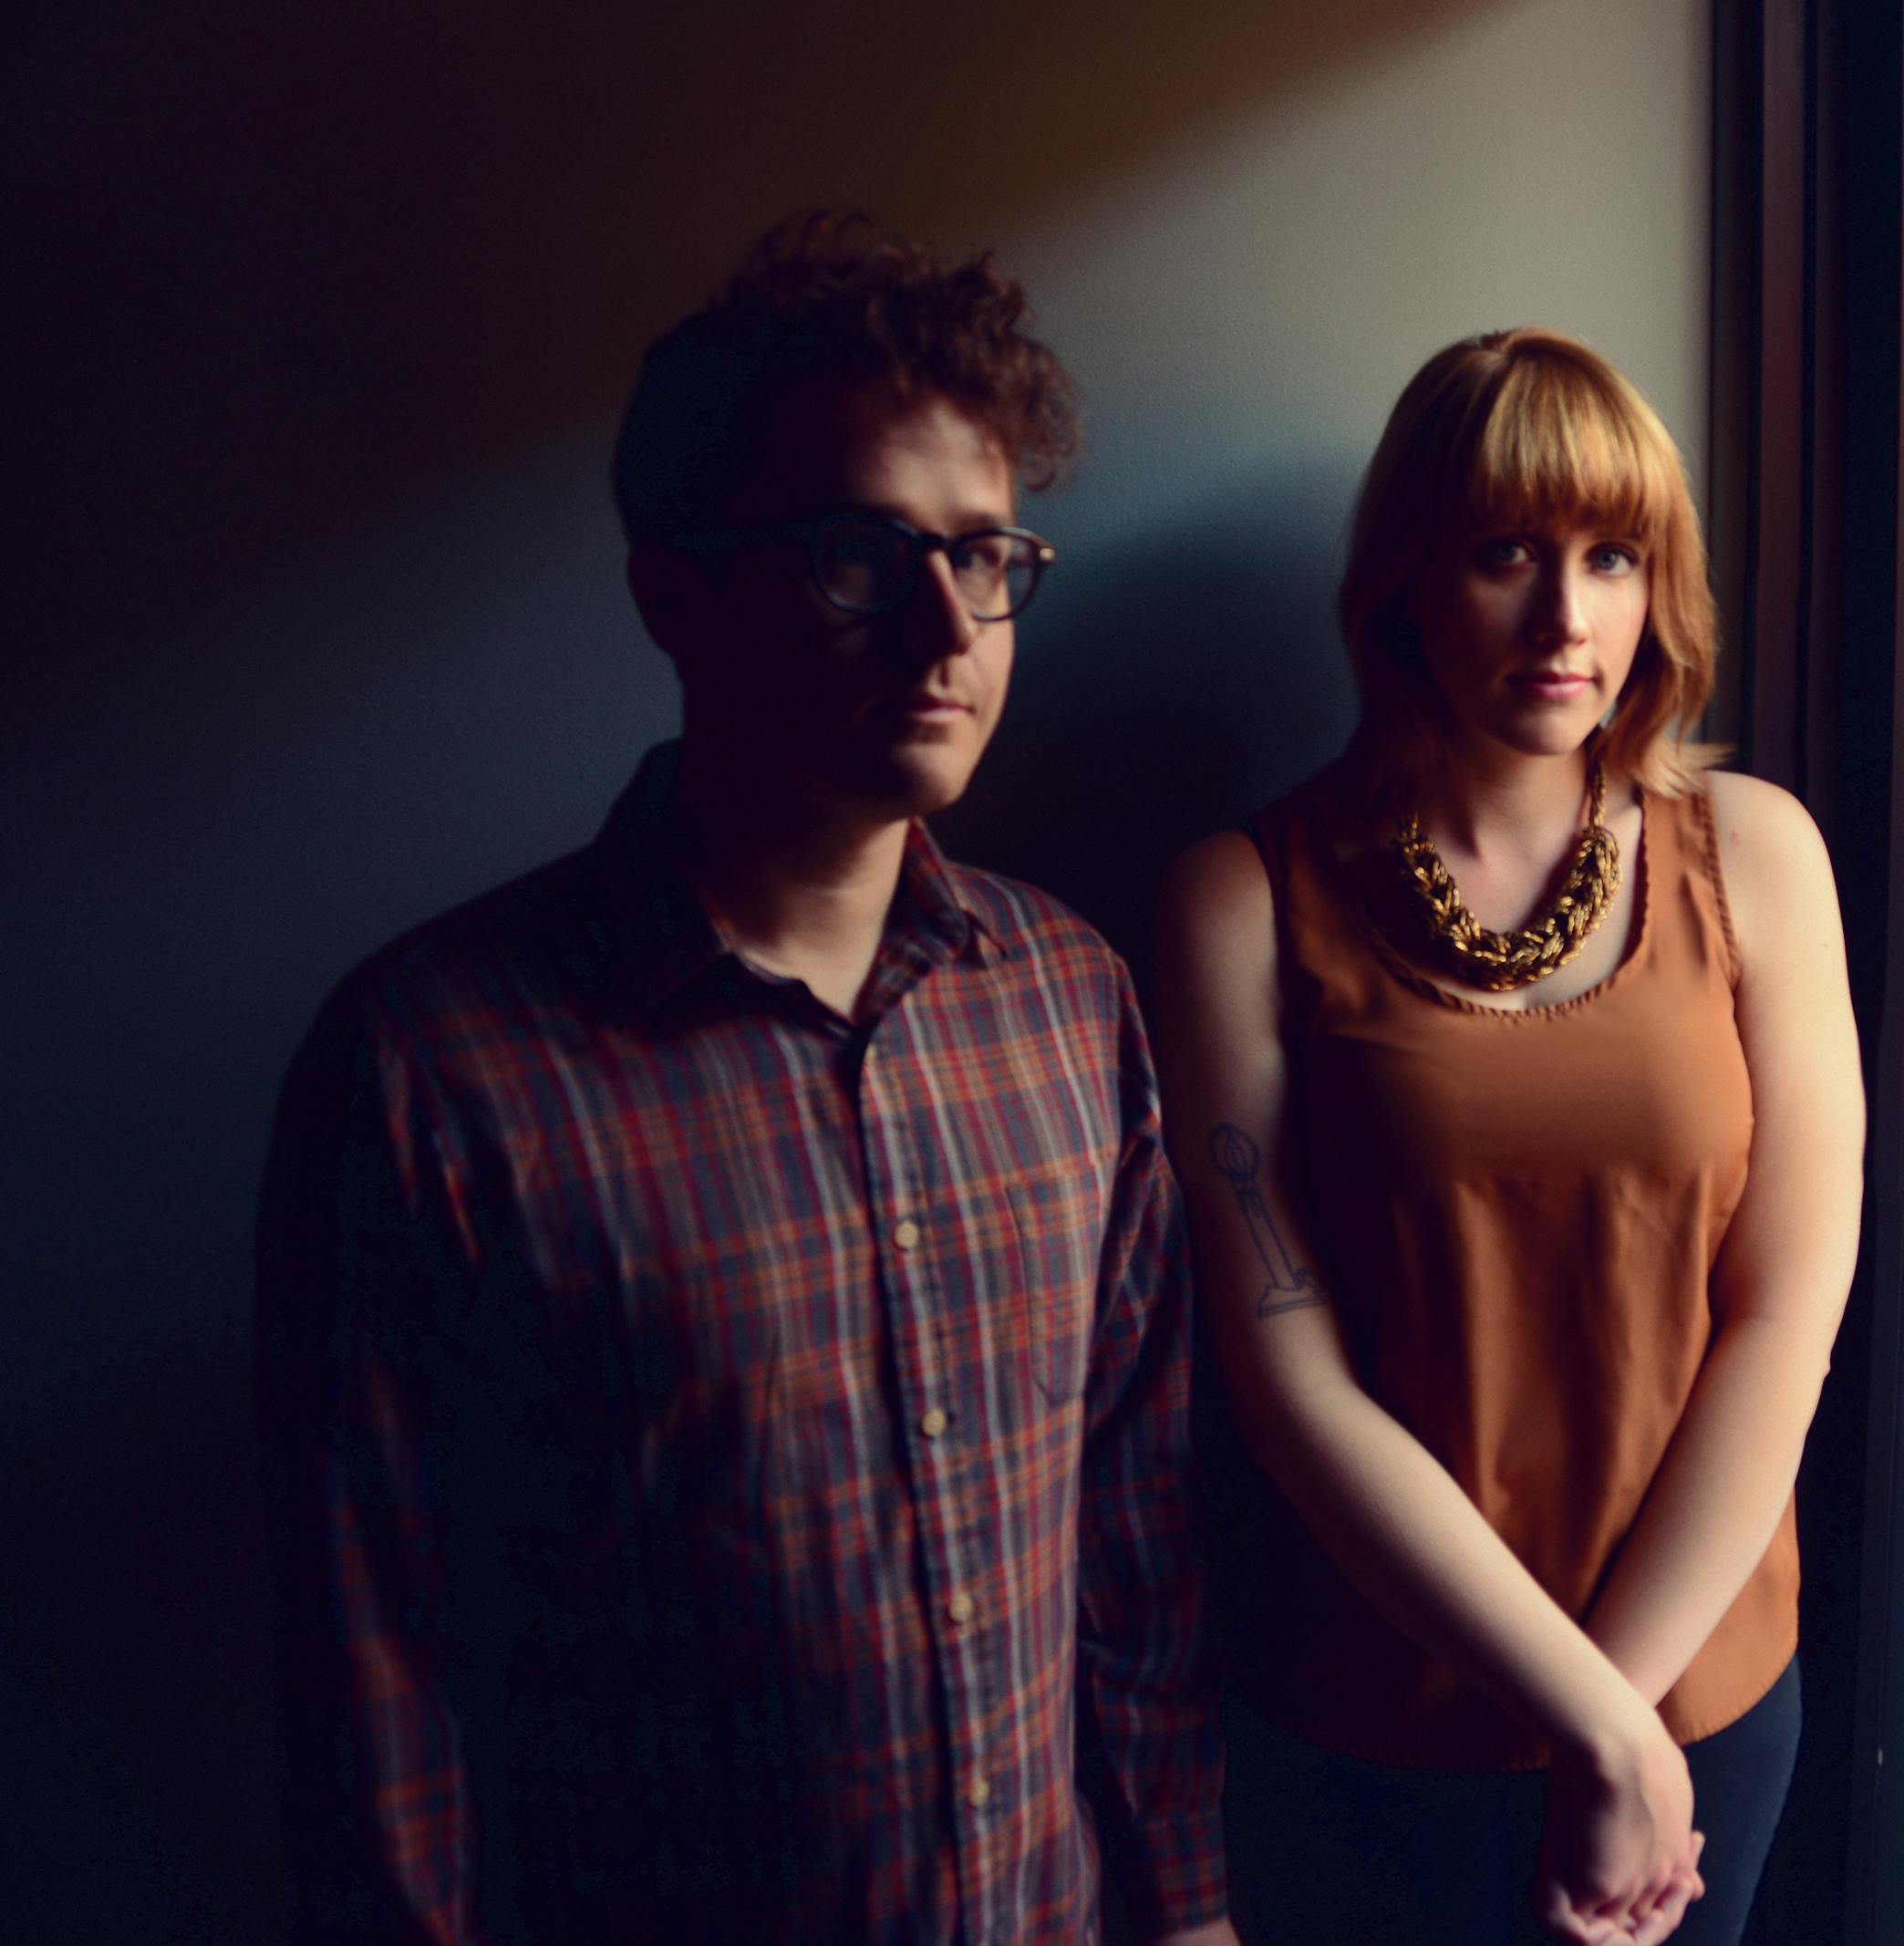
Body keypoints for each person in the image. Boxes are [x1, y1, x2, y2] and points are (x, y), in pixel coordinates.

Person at [257, 212, 1236, 1946]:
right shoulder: (434, 1071)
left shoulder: (1071, 1002)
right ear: (676, 590)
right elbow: (373, 1681)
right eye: (862, 554)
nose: (949, 623)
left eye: (988, 552)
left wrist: (1186, 1909)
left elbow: (1135, 1538)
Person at [1154, 327, 1863, 1946]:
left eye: (1612, 556)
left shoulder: (1754, 853)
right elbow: (1287, 1373)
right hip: (1369, 1727)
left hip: (1706, 1704)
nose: (1566, 618)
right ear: (1405, 578)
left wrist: (1630, 1722)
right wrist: (1594, 1724)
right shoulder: (1238, 898)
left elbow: (1787, 1309)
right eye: (1504, 554)